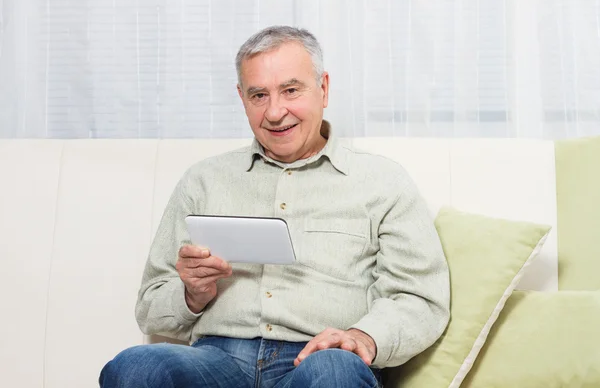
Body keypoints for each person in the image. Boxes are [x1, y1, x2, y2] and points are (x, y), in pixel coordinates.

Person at [100, 25, 450, 388]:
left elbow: (419, 298)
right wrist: (191, 294)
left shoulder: (383, 181)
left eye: (291, 90)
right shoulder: (203, 180)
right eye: (258, 96)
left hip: (316, 360)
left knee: (334, 372)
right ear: (242, 98)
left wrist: (363, 337)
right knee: (137, 366)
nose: (275, 111)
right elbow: (150, 308)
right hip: (216, 360)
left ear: (324, 88)